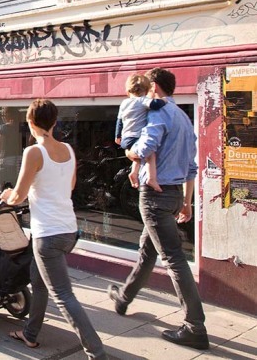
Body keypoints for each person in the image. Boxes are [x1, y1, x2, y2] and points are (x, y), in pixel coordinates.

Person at [108, 68, 208, 350]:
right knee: (147, 251)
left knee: (173, 259)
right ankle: (124, 298)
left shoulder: (158, 114)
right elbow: (191, 166)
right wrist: (186, 202)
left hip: (155, 196)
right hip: (174, 193)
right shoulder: (183, 118)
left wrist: (129, 152)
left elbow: (143, 148)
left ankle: (194, 327)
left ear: (154, 87)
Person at [2, 99, 107, 359]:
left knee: (63, 296)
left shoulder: (34, 152)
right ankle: (30, 333)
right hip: (68, 231)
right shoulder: (68, 150)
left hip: (47, 235)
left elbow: (19, 195)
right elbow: (69, 186)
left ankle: (97, 352)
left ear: (30, 122)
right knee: (39, 282)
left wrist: (6, 196)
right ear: (55, 121)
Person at [115, 73, 165, 189]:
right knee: (150, 154)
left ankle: (133, 173)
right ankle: (151, 178)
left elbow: (119, 121)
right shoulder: (143, 100)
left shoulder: (124, 103)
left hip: (126, 138)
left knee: (138, 155)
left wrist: (117, 136)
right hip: (137, 137)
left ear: (128, 92)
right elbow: (156, 105)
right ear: (147, 90)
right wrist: (163, 100)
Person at [0, 107, 23, 190]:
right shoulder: (21, 127)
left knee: (5, 187)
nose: (2, 116)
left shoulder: (3, 128)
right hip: (20, 160)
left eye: (3, 114)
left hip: (6, 161)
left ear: (9, 115)